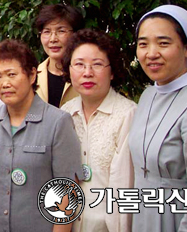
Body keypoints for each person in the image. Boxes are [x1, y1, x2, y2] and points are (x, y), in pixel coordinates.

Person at [0, 39, 82, 232]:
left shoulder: (57, 122)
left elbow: (66, 189)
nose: (5, 83)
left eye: (11, 74)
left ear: (30, 75)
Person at [129, 5, 187, 232]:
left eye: (163, 43)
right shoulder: (149, 95)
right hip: (144, 216)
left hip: (178, 220)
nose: (151, 53)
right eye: (143, 44)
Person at [60, 29, 136, 232]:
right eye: (79, 64)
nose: (87, 72)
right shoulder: (65, 113)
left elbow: (124, 186)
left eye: (97, 64)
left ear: (112, 72)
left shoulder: (127, 114)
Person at [34, 4, 84, 107]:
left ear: (75, 34)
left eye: (61, 31)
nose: (53, 39)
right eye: (47, 32)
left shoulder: (86, 74)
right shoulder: (33, 76)